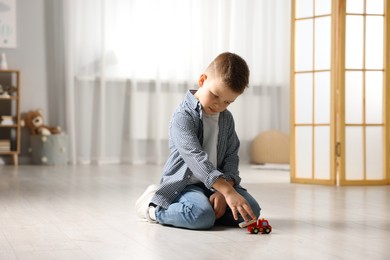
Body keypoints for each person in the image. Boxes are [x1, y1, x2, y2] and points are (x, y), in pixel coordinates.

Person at [135, 52, 261, 230]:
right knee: (200, 216)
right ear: (202, 80)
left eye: (227, 102)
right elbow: (195, 159)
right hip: (186, 185)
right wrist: (226, 191)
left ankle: (208, 208)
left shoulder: (226, 119)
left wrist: (223, 190)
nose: (219, 105)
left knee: (252, 210)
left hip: (218, 185)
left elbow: (232, 156)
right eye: (215, 95)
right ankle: (153, 208)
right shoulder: (183, 116)